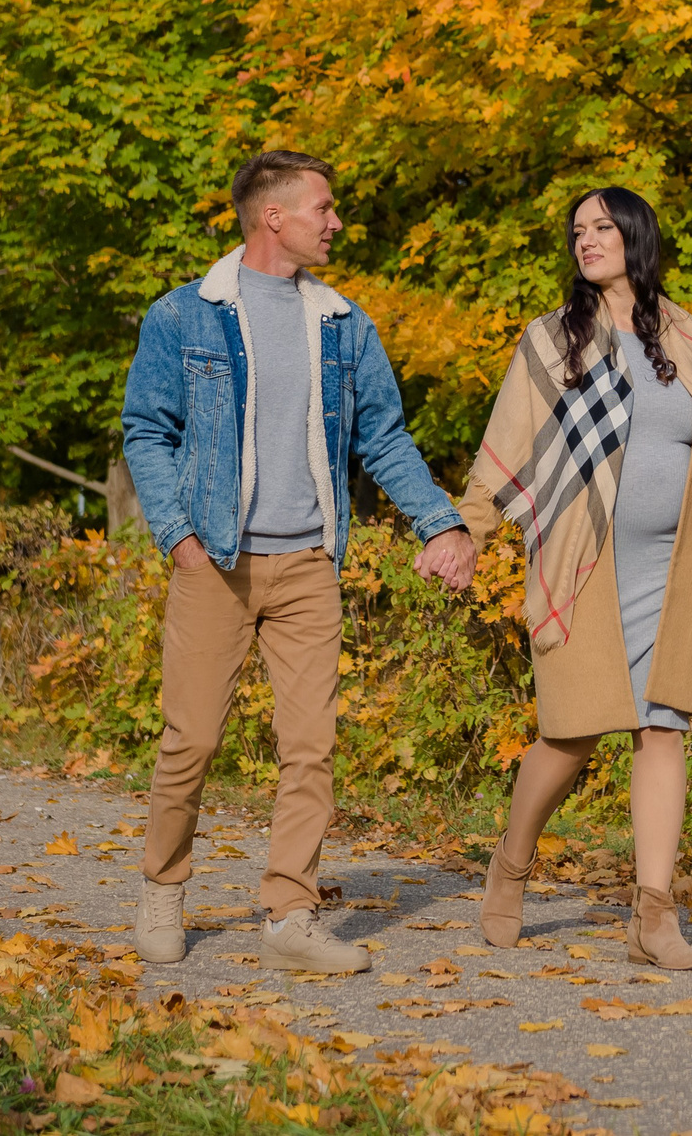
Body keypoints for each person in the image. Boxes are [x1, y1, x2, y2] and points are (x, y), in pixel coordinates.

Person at [120, 151, 477, 973]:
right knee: (191, 739)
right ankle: (163, 884)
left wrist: (439, 523)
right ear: (272, 216)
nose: (336, 221)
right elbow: (148, 428)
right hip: (216, 559)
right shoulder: (184, 316)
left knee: (309, 745)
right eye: (325, 206)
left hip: (310, 562)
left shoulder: (345, 325)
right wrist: (177, 533)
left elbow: (382, 437)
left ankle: (290, 913)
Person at [437, 186, 692, 968]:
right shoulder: (552, 341)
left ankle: (655, 915)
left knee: (664, 727)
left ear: (636, 235)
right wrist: (466, 533)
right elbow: (502, 450)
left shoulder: (688, 334)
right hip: (583, 560)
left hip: (674, 565)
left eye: (602, 227)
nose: (587, 239)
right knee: (571, 730)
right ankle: (511, 862)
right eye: (577, 231)